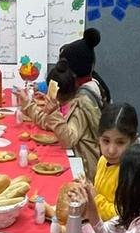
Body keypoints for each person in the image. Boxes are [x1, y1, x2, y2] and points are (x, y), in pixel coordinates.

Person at [21, 31, 105, 179]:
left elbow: (68, 140)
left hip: (83, 169)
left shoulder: (82, 101)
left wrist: (53, 113)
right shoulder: (73, 96)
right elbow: (51, 123)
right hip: (74, 158)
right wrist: (29, 106)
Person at [90, 103, 139, 221]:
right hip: (99, 224)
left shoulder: (131, 173)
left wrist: (94, 199)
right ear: (99, 138)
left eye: (120, 143)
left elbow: (122, 215)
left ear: (133, 141)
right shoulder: (102, 160)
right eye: (106, 141)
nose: (111, 151)